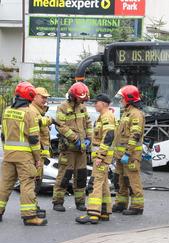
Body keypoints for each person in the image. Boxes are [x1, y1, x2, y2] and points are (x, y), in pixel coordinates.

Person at [0, 82, 47, 226]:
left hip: (8, 154)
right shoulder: (30, 113)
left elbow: (3, 135)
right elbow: (33, 138)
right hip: (25, 157)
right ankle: (29, 217)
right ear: (30, 95)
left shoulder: (7, 111)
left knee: (5, 184)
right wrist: (38, 158)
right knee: (27, 184)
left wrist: (7, 150)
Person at [52, 82, 92, 212]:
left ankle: (80, 202)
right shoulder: (62, 107)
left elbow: (88, 123)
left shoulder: (82, 107)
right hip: (68, 149)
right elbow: (60, 125)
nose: (81, 101)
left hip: (81, 150)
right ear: (72, 96)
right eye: (80, 98)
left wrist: (88, 139)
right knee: (64, 176)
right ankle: (58, 202)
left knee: (81, 176)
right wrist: (75, 139)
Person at [76, 94, 116, 224]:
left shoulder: (107, 117)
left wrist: (100, 156)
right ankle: (104, 212)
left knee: (95, 184)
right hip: (101, 158)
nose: (94, 105)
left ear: (103, 104)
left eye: (96, 102)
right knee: (103, 183)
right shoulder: (103, 117)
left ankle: (93, 213)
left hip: (102, 158)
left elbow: (109, 136)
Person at [112, 85, 145, 215]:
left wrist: (127, 152)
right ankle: (121, 203)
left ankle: (137, 206)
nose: (121, 101)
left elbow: (135, 135)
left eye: (122, 98)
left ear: (129, 99)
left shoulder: (136, 114)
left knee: (133, 181)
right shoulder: (127, 112)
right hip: (121, 155)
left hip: (130, 155)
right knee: (121, 180)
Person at [29, 87, 52, 218]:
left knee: (36, 180)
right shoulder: (32, 111)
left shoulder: (39, 110)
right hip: (34, 155)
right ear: (35, 96)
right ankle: (32, 207)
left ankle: (33, 205)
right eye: (43, 97)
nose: (45, 100)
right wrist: (49, 120)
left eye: (46, 97)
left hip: (39, 154)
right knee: (33, 181)